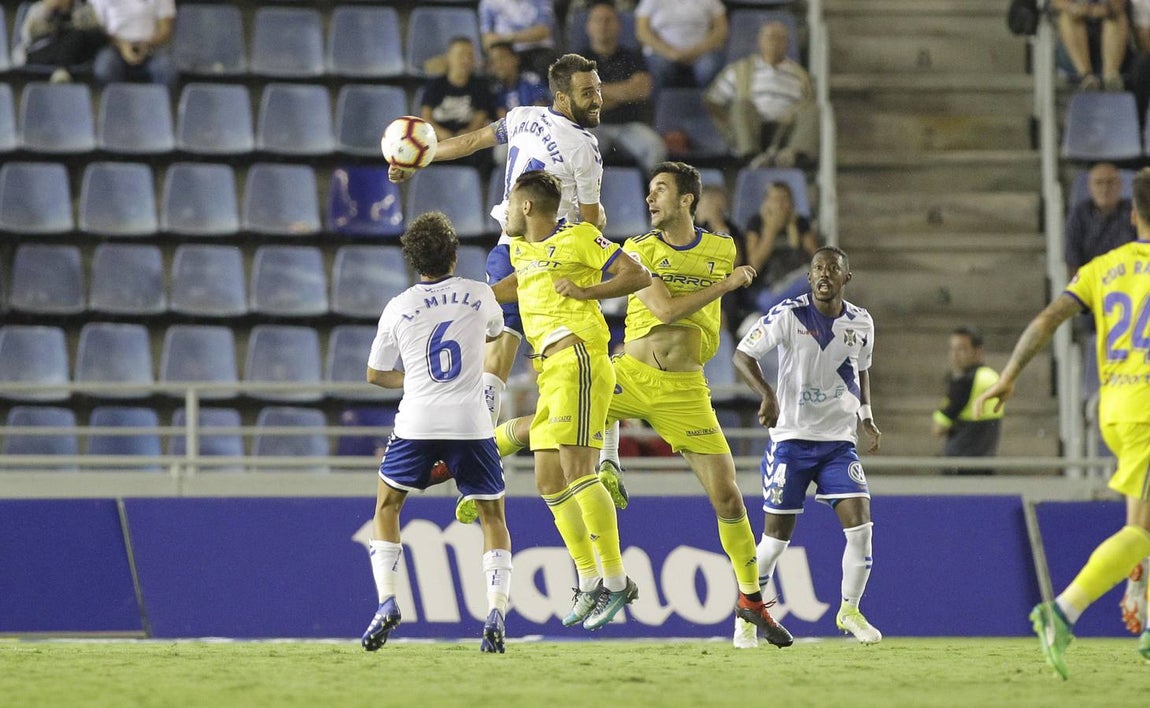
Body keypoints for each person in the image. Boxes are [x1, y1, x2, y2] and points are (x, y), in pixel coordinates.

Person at [390, 54, 612, 481]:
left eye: (598, 89)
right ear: (562, 97)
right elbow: (589, 223)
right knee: (586, 355)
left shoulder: (523, 116)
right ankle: (602, 457)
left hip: (507, 250)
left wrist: (419, 159)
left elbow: (471, 142)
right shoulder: (584, 148)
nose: (598, 98)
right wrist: (598, 221)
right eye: (588, 92)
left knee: (501, 354)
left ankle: (474, 445)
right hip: (551, 261)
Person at [974, 168, 1150, 678]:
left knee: (1141, 524)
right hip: (1147, 407)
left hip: (1114, 406)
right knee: (1139, 531)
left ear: (1133, 214)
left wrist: (1009, 375)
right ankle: (1063, 613)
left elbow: (1047, 319)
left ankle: (1144, 611)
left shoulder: (1102, 267)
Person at [500, 169, 650, 630]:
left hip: (579, 360)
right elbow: (514, 286)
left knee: (578, 471)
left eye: (511, 203)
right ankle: (588, 581)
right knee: (548, 480)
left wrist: (587, 291)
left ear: (527, 206)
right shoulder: (521, 251)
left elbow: (637, 274)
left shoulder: (580, 237)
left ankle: (617, 580)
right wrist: (468, 298)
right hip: (550, 372)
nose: (506, 212)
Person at [360, 211, 512, 654]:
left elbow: (375, 374)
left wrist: (415, 380)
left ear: (412, 260)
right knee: (493, 518)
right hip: (471, 423)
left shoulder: (398, 306)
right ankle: (496, 611)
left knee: (387, 507)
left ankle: (387, 601)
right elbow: (495, 333)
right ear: (454, 254)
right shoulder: (479, 294)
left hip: (418, 421)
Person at [732, 246, 884, 646]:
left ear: (845, 278)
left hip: (837, 443)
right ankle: (747, 613)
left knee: (861, 529)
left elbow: (861, 369)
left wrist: (866, 416)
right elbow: (743, 354)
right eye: (818, 268)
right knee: (774, 543)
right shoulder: (788, 315)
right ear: (810, 276)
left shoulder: (861, 322)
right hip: (791, 441)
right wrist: (767, 394)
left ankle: (849, 611)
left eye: (832, 268)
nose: (824, 274)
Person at [704, 21, 817, 168]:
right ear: (760, 41)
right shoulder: (739, 70)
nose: (775, 42)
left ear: (788, 44)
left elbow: (807, 104)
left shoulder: (800, 76)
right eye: (770, 37)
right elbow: (713, 101)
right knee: (742, 105)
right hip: (750, 128)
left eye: (780, 38)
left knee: (812, 110)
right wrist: (731, 123)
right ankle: (752, 157)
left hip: (784, 130)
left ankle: (793, 156)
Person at [584, 0, 668, 174]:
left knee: (655, 148)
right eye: (598, 20)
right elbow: (580, 101)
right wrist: (626, 92)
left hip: (629, 125)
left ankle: (650, 192)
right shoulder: (577, 59)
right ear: (588, 26)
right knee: (578, 151)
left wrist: (596, 91)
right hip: (593, 127)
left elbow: (642, 90)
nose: (603, 25)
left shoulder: (632, 56)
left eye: (609, 20)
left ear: (618, 25)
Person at [737, 181, 819, 333]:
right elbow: (754, 265)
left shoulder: (800, 223)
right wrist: (771, 230)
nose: (780, 204)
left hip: (793, 282)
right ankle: (768, 316)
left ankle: (763, 319)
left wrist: (794, 231)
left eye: (785, 199)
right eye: (776, 199)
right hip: (765, 287)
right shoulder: (756, 223)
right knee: (768, 301)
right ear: (766, 202)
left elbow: (816, 259)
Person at [421, 36, 499, 174]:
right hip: (439, 140)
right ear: (449, 57)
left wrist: (466, 136)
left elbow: (480, 116)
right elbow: (426, 117)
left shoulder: (479, 86)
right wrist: (443, 135)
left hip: (468, 142)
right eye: (461, 55)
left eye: (470, 56)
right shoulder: (435, 85)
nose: (466, 60)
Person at [932, 326, 1003, 475]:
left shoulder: (965, 382)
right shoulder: (993, 377)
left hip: (960, 469)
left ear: (978, 351)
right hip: (985, 467)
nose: (955, 355)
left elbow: (938, 429)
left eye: (962, 349)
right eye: (952, 349)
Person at [634, 0, 728, 89]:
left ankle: (708, 100)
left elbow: (721, 30)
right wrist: (670, 52)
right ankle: (662, 100)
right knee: (660, 67)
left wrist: (696, 51)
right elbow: (642, 32)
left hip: (701, 52)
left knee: (708, 67)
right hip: (661, 52)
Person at [12, 0, 107, 83]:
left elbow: (95, 33)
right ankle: (61, 69)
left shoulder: (83, 8)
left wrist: (74, 17)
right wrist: (47, 14)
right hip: (43, 51)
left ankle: (61, 70)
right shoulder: (39, 9)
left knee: (78, 35)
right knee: (68, 41)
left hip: (73, 52)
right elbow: (28, 37)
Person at [88, 0, 176, 88]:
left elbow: (165, 29)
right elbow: (100, 28)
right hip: (115, 46)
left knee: (167, 69)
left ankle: (158, 97)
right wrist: (122, 45)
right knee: (104, 68)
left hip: (151, 46)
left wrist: (146, 45)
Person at [1053, 0, 1128, 90]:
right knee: (1068, 18)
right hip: (1073, 47)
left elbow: (1120, 3)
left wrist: (1106, 10)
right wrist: (1078, 9)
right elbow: (1057, 3)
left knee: (1117, 16)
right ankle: (1086, 77)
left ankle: (1111, 77)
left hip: (1111, 44)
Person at [479, 0, 557, 79]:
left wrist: (506, 38)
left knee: (545, 64)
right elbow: (487, 41)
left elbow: (543, 31)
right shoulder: (489, 3)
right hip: (507, 53)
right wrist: (526, 35)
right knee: (499, 62)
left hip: (539, 50)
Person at [487, 41, 550, 115]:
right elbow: (502, 118)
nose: (498, 64)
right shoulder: (496, 90)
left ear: (515, 58)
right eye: (493, 61)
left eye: (502, 58)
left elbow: (540, 112)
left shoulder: (531, 81)